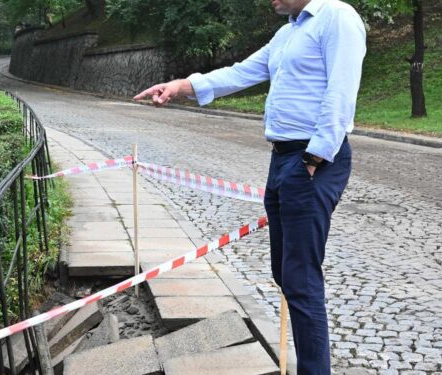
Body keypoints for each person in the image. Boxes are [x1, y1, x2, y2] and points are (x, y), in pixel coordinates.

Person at [133, 0, 366, 373]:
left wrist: (313, 159)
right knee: (286, 274)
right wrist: (181, 86)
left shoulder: (337, 17)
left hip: (311, 160)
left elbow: (341, 94)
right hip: (283, 159)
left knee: (301, 279)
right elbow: (240, 73)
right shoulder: (288, 32)